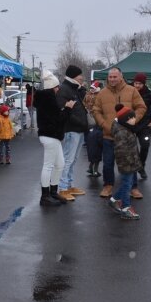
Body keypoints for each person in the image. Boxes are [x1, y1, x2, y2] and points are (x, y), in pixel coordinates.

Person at [92, 67, 146, 199]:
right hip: (108, 135)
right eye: (110, 77)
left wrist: (133, 120)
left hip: (127, 136)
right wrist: (104, 125)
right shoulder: (102, 93)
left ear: (121, 77)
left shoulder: (132, 90)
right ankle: (108, 185)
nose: (112, 79)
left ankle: (133, 188)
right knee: (108, 163)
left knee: (130, 163)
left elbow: (141, 107)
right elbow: (96, 110)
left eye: (115, 77)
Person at [36, 70, 75, 206]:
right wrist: (68, 109)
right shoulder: (49, 100)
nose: (58, 89)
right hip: (50, 135)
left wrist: (64, 109)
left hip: (51, 135)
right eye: (57, 87)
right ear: (53, 87)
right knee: (49, 165)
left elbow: (55, 117)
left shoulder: (46, 99)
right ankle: (45, 196)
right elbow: (58, 120)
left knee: (60, 164)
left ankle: (52, 192)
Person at [57, 65, 88, 201]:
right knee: (68, 159)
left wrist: (81, 88)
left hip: (79, 129)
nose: (82, 77)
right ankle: (62, 188)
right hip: (72, 129)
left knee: (73, 159)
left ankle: (69, 185)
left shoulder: (73, 88)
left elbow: (80, 103)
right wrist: (80, 122)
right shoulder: (64, 89)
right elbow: (64, 111)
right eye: (80, 75)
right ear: (74, 76)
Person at [107, 104, 142, 220]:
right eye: (132, 118)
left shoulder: (126, 128)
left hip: (130, 161)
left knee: (128, 183)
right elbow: (121, 151)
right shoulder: (122, 132)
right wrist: (130, 162)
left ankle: (113, 200)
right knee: (127, 185)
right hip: (126, 163)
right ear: (125, 120)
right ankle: (126, 208)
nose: (134, 119)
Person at [132, 72, 151, 179]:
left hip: (144, 125)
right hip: (131, 124)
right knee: (132, 148)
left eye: (140, 83)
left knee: (145, 145)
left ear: (144, 83)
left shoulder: (149, 94)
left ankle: (141, 166)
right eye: (136, 83)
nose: (137, 85)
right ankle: (136, 167)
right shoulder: (129, 91)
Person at [83, 81, 103, 177]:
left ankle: (91, 167)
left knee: (91, 146)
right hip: (96, 122)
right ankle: (94, 169)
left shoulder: (88, 95)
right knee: (97, 147)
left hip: (89, 123)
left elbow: (84, 105)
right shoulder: (99, 95)